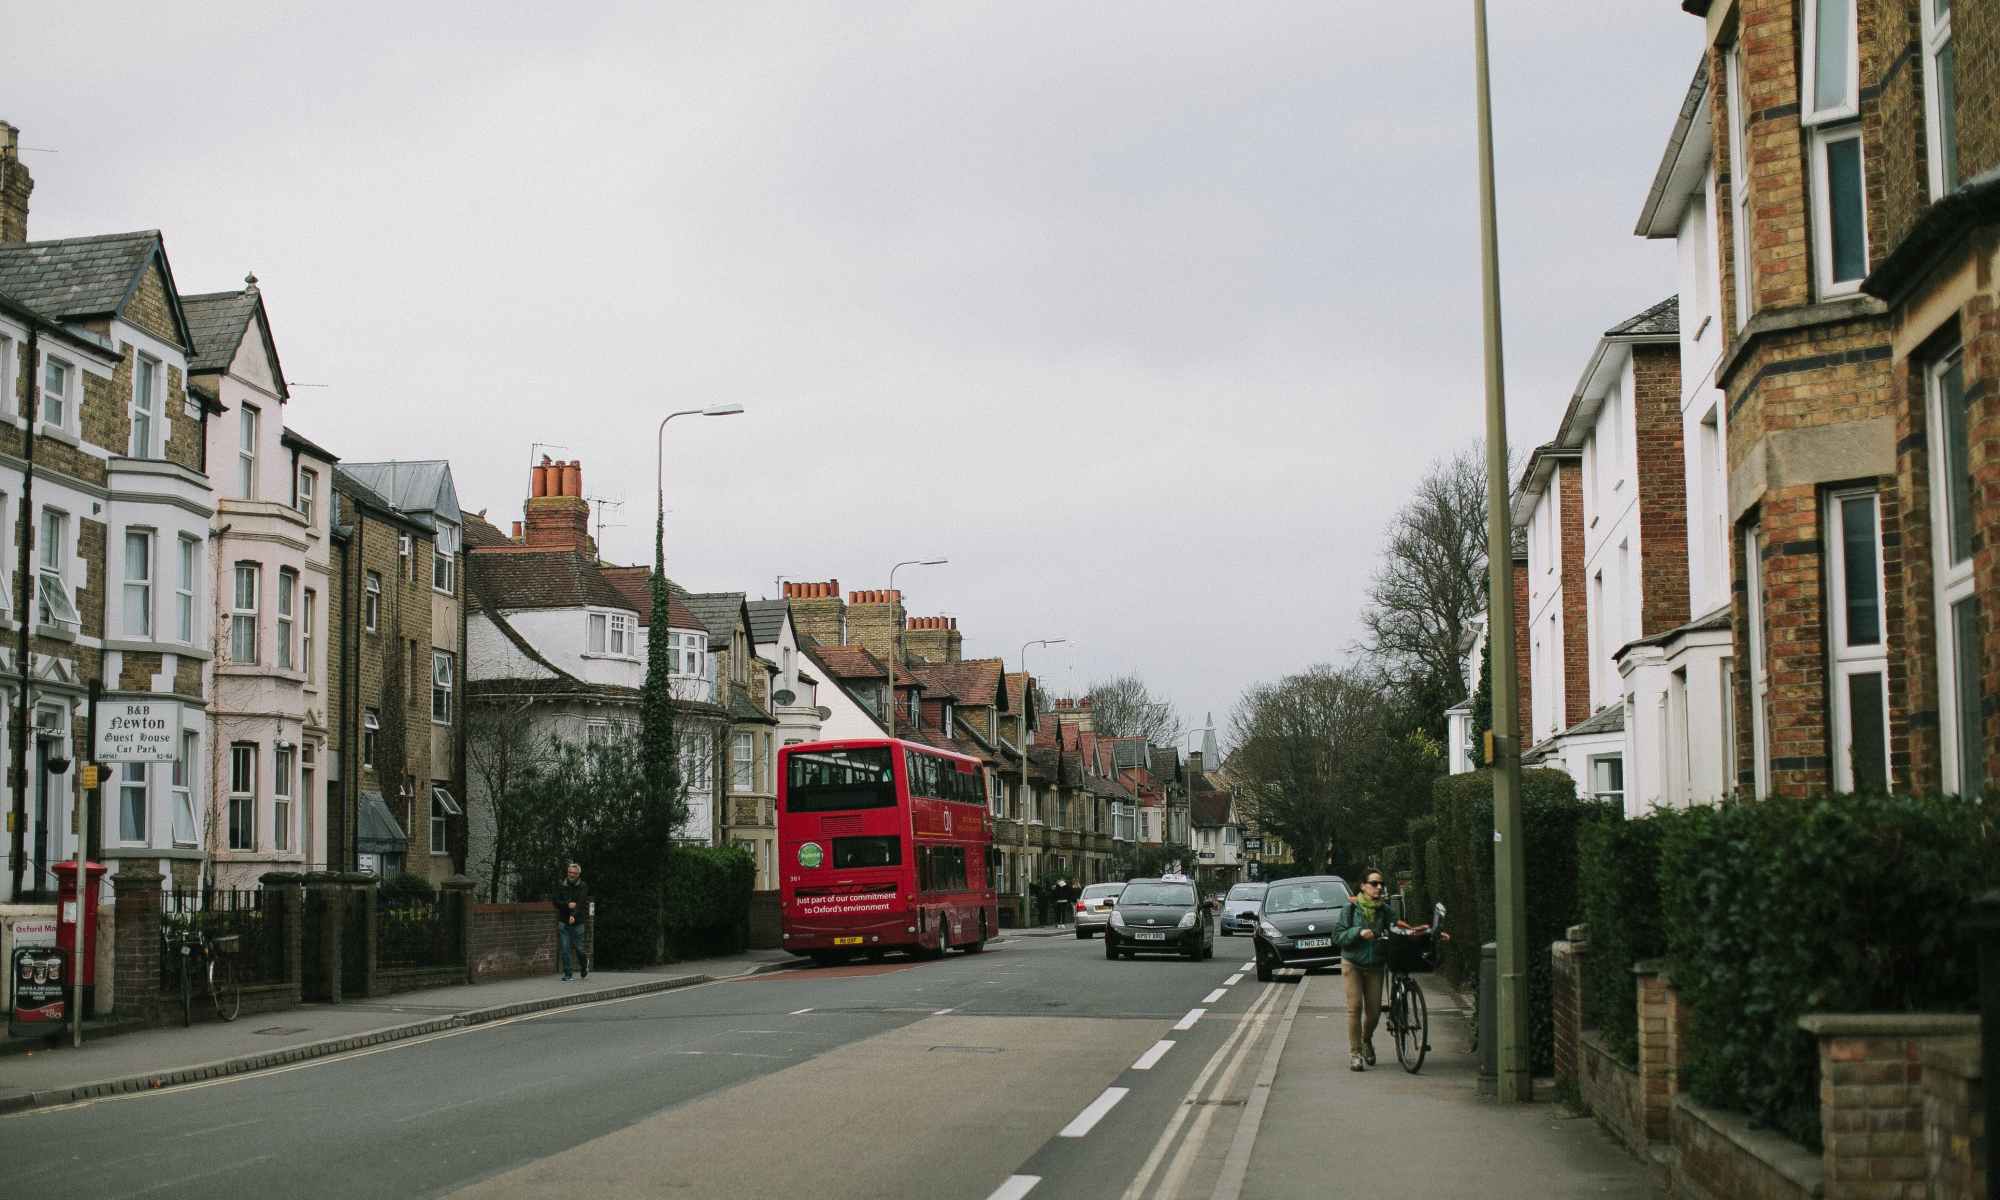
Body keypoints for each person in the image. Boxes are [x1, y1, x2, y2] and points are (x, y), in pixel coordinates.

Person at [1333, 867, 1393, 1071]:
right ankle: (1355, 1053)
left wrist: (1425, 932)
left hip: (1376, 965)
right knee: (1355, 1008)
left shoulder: (1385, 911)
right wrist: (1358, 932)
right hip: (1353, 964)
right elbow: (1337, 936)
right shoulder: (1350, 909)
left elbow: (1398, 928)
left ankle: (1366, 1040)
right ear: (1363, 886)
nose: (1379, 887)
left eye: (1381, 884)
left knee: (1374, 1012)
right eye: (1374, 883)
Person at [552, 862, 590, 982]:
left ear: (578, 874)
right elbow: (556, 901)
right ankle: (568, 974)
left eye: (574, 873)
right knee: (565, 948)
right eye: (569, 872)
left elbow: (581, 903)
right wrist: (567, 905)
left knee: (579, 949)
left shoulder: (583, 886)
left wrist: (573, 915)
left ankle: (584, 965)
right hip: (563, 921)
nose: (571, 875)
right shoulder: (561, 885)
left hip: (578, 922)